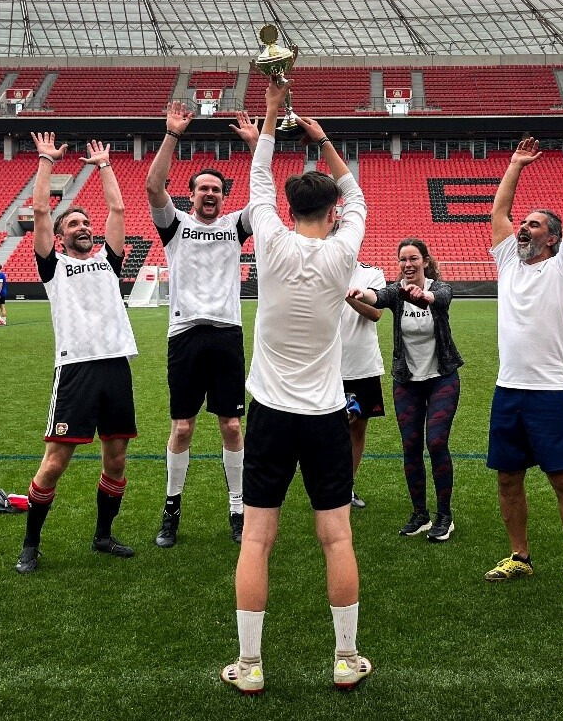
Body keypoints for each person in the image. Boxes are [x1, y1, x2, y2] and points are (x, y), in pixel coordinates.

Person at [221, 84, 371, 695]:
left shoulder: (271, 239)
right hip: (326, 414)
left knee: (257, 536)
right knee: (336, 535)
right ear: (332, 210)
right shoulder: (345, 252)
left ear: (287, 207)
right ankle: (344, 657)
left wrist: (272, 108)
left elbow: (258, 171)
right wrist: (321, 139)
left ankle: (250, 666)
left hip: (272, 414)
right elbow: (358, 191)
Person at [14, 133, 137, 574]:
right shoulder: (53, 267)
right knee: (55, 462)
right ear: (61, 238)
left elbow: (118, 211)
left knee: (117, 457)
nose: (83, 227)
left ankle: (103, 536)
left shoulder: (109, 260)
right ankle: (31, 544)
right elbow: (42, 209)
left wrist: (105, 165)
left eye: (86, 223)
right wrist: (46, 160)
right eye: (74, 225)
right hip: (75, 369)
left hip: (115, 364)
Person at [481, 136, 563, 602]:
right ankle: (520, 556)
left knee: (562, 478)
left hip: (548, 391)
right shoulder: (509, 262)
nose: (522, 229)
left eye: (533, 225)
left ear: (552, 236)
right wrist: (515, 164)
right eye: (521, 224)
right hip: (508, 389)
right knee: (508, 477)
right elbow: (497, 214)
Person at [146, 99, 252, 548]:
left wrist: (255, 145)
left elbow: (265, 198)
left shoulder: (234, 225)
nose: (209, 195)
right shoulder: (177, 226)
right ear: (191, 195)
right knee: (183, 428)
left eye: (216, 190)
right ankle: (171, 509)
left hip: (227, 333)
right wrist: (172, 134)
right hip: (186, 334)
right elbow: (153, 187)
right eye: (202, 189)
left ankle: (237, 506)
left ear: (224, 197)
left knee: (231, 426)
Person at [347, 239, 463, 541]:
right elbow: (380, 296)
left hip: (442, 379)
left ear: (425, 261)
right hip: (407, 382)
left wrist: (422, 294)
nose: (407, 264)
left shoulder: (440, 288)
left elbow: (438, 299)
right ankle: (420, 514)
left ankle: (444, 516)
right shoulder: (396, 291)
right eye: (402, 260)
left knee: (436, 443)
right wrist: (363, 293)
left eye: (413, 259)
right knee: (411, 447)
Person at [340, 260, 387, 510]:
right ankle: (329, 484)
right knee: (325, 429)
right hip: (326, 365)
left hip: (362, 365)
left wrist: (348, 298)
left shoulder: (371, 274)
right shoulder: (323, 266)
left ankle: (346, 486)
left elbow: (377, 313)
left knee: (357, 428)